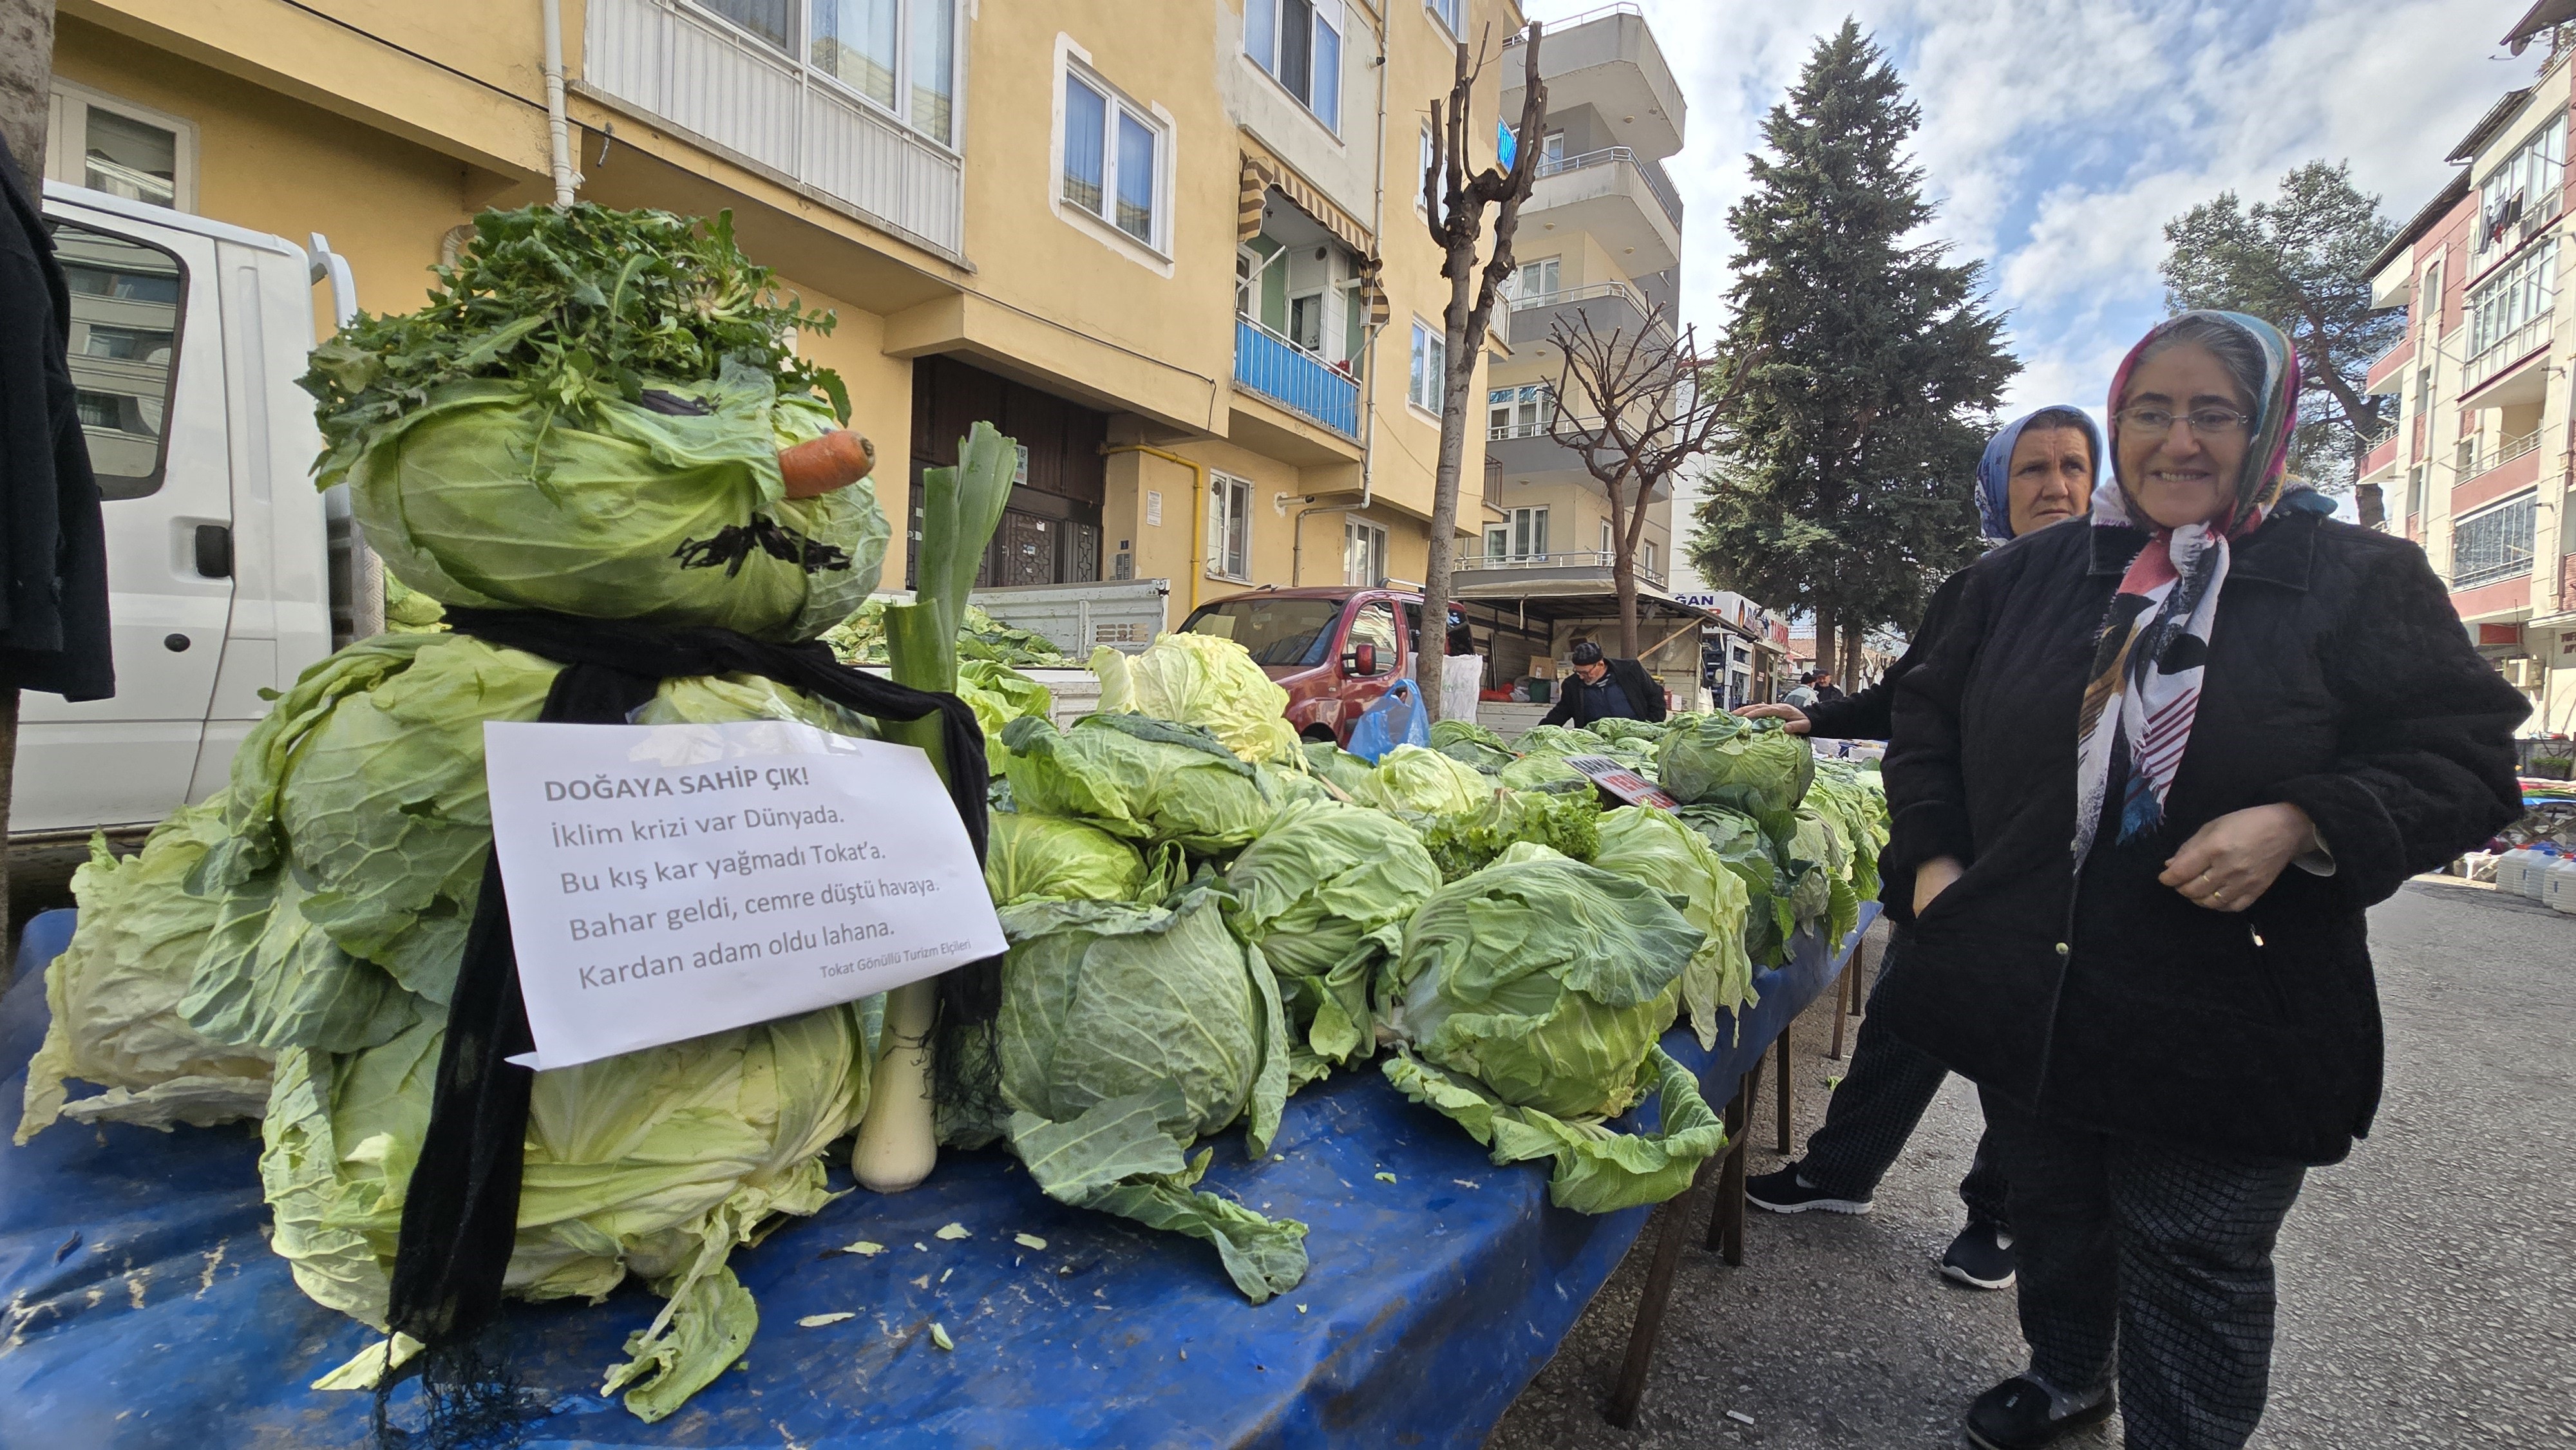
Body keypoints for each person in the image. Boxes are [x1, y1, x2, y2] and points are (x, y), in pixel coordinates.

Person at [1877, 312, 2526, 1450]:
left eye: (2214, 414)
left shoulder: (2354, 580)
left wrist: (2305, 819)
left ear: (2268, 428)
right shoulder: (2024, 578)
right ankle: (2067, 1375)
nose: (2179, 441)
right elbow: (1925, 725)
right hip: (2032, 984)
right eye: (2152, 411)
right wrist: (1935, 866)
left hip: (2231, 1004)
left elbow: (2466, 762)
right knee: (2056, 1214)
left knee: (2195, 1255)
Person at [1736, 404, 2101, 1292]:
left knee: (2025, 1048)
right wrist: (1815, 717)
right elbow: (1914, 699)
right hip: (1947, 850)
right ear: (1998, 489)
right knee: (1904, 1021)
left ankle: (1997, 1217)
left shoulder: (2123, 585)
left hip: (2056, 866)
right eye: (2032, 468)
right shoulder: (1975, 587)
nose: (2055, 486)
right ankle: (1840, 1171)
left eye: (2074, 467)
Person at [1539, 639, 1666, 726]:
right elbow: (1561, 713)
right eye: (1578, 672)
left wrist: (1651, 725)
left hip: (1636, 738)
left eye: (1586, 672)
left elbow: (1655, 695)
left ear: (1600, 664)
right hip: (1595, 743)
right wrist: (1541, 732)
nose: (1582, 677)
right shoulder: (1572, 685)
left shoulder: (1630, 670)